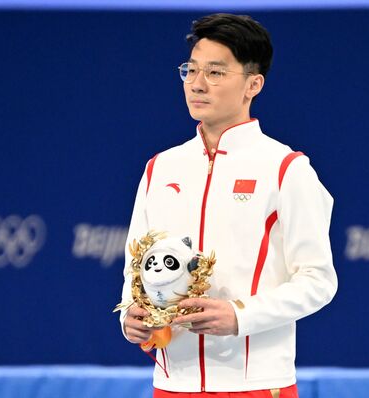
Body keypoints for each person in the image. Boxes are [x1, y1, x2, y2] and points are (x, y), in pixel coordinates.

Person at [119, 13, 338, 398]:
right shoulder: (160, 167)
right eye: (190, 70)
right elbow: (135, 267)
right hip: (172, 384)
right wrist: (131, 315)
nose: (197, 84)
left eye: (216, 73)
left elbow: (319, 280)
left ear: (253, 84)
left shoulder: (286, 168)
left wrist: (240, 315)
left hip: (254, 385)